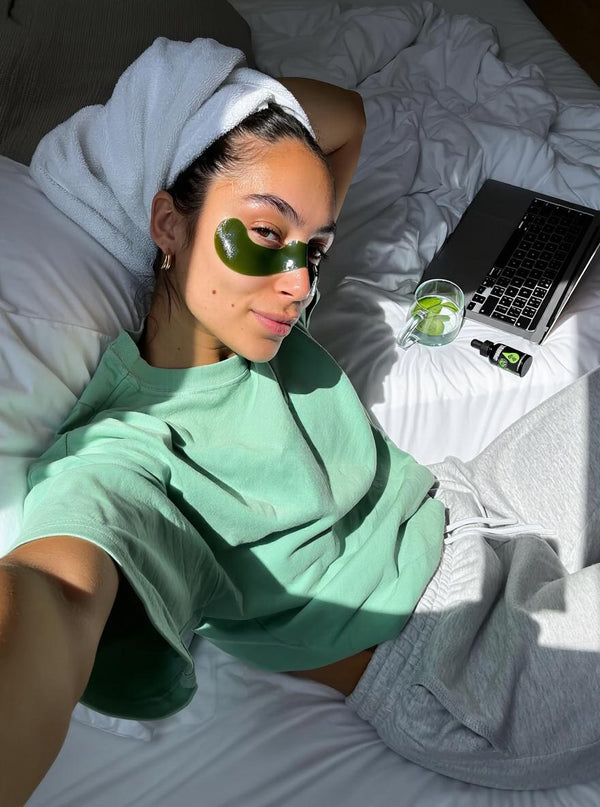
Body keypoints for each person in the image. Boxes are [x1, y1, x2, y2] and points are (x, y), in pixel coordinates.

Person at [2, 37, 600, 807]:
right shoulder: (130, 452)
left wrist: (192, 125)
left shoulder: (261, 321)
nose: (297, 280)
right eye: (263, 232)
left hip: (474, 508)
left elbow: (343, 118)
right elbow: (56, 598)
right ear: (168, 224)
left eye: (312, 246)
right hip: (465, 667)